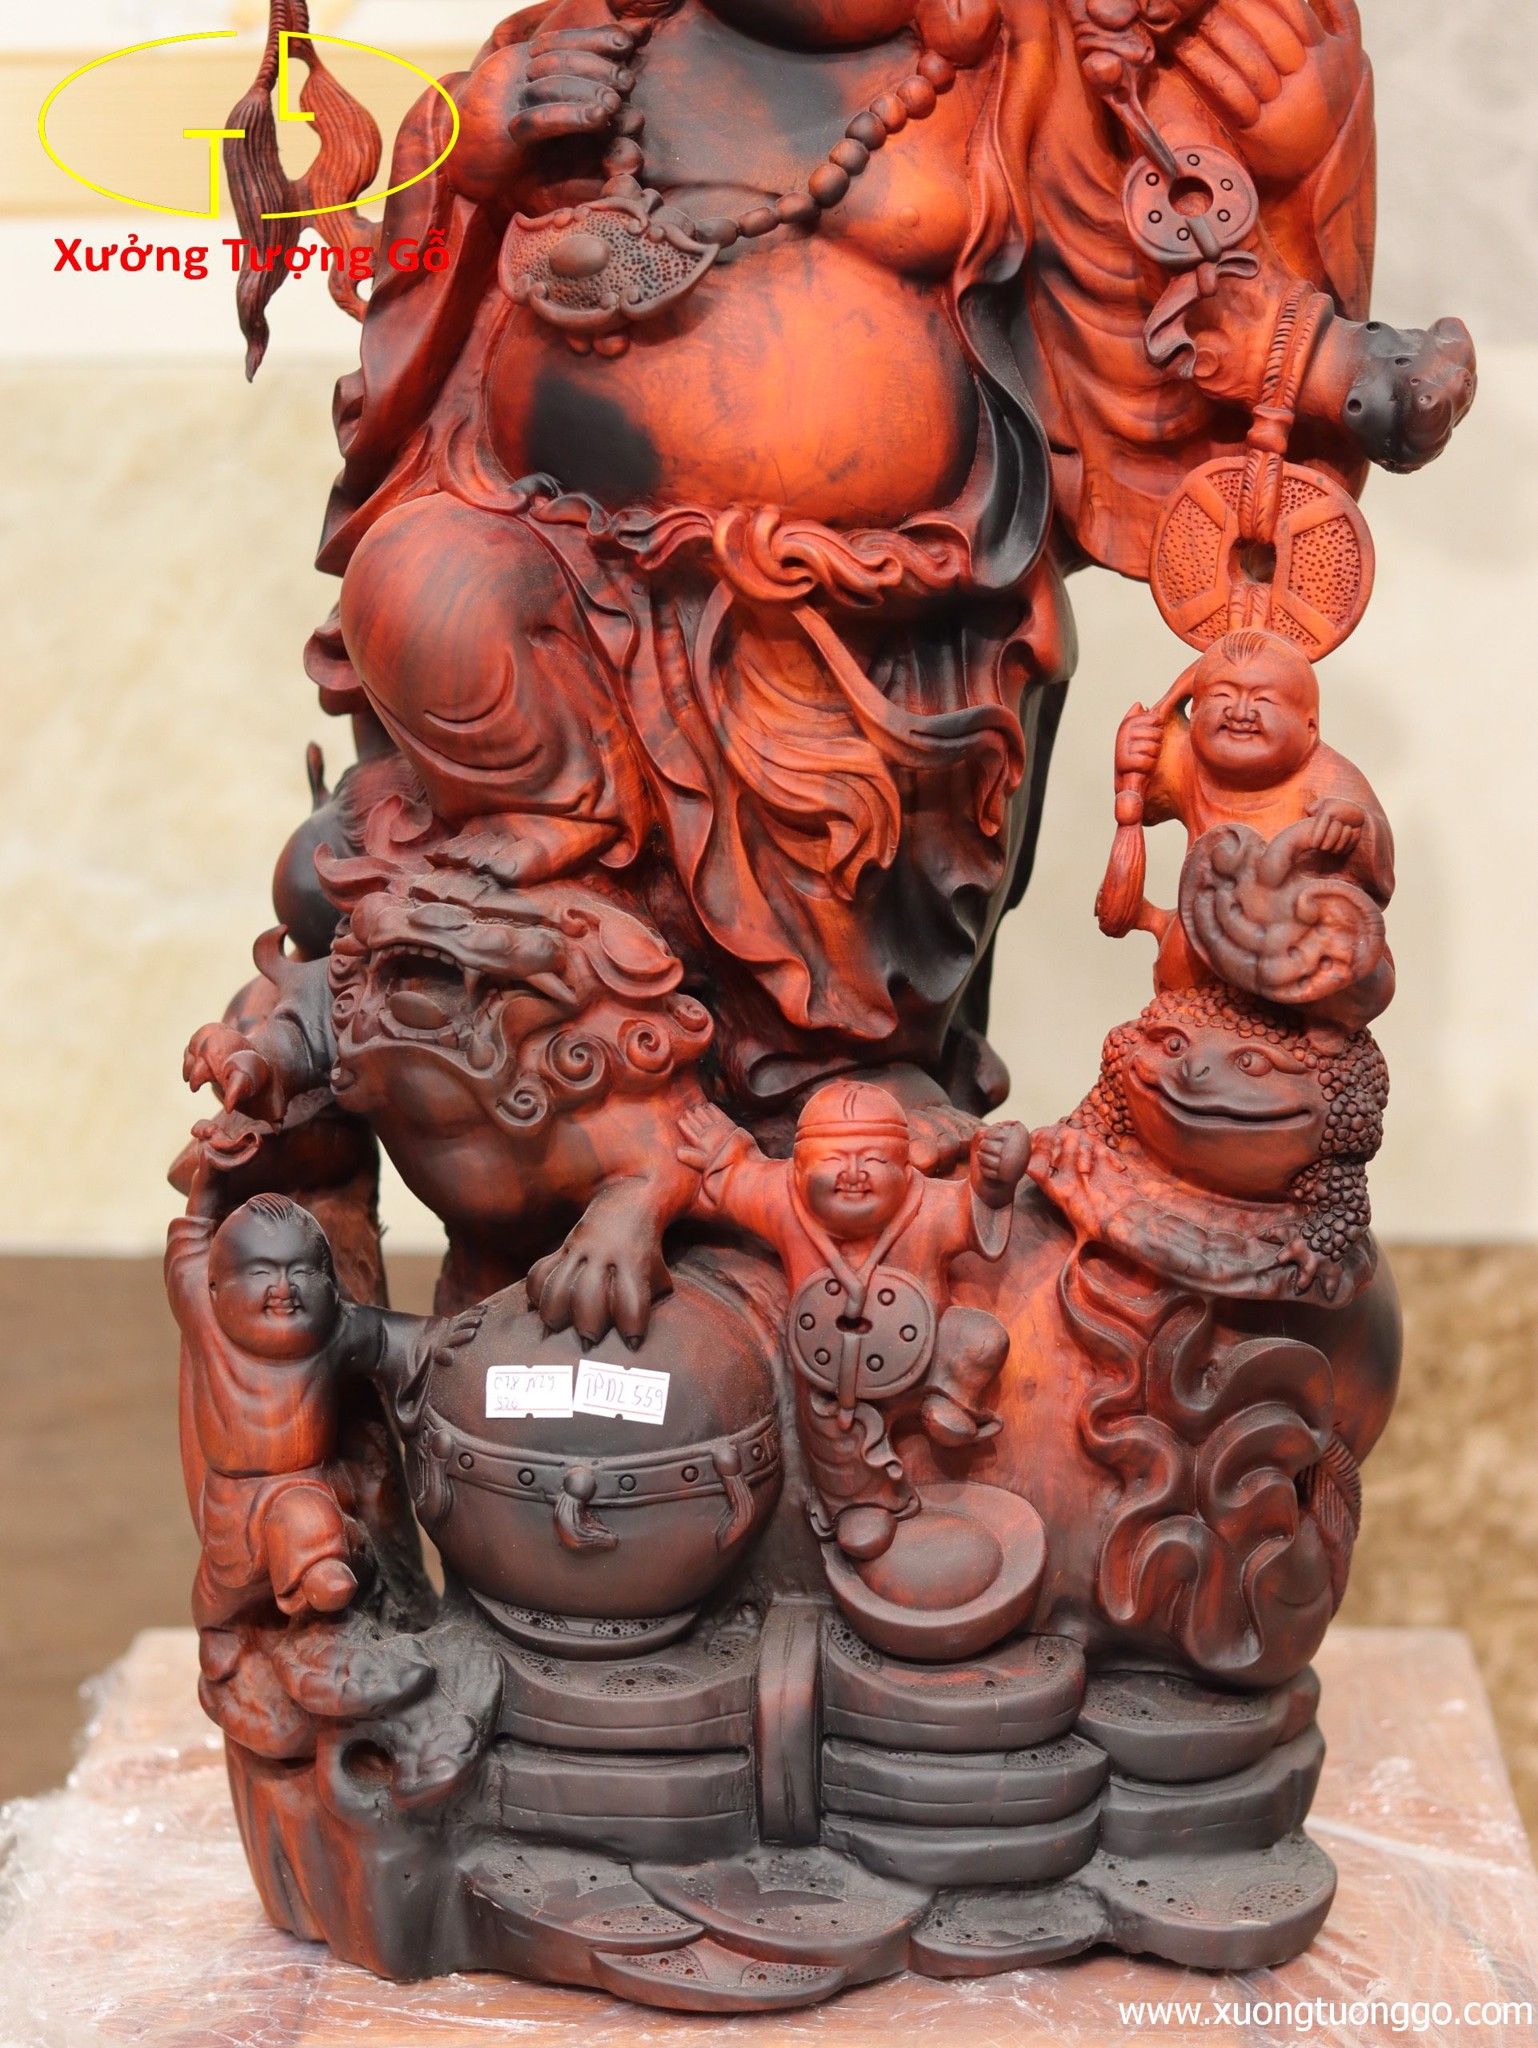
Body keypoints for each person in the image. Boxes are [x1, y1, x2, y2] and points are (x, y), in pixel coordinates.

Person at [680, 1081, 1030, 1556]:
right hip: (834, 1373)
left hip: (927, 1352)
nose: (853, 1174)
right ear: (798, 1169)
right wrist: (722, 1151)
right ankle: (862, 1502)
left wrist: (994, 1182)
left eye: (874, 1160)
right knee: (828, 1426)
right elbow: (737, 1178)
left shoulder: (929, 1204)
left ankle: (949, 1400)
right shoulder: (782, 1198)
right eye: (832, 1160)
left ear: (905, 1168)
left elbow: (975, 1208)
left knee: (980, 1337)